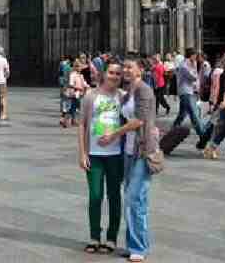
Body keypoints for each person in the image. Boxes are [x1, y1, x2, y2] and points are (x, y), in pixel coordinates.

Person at [101, 56, 157, 263]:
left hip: (143, 150)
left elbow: (139, 121)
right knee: (135, 198)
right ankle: (135, 243)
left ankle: (138, 247)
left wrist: (114, 134)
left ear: (140, 70)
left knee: (134, 198)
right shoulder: (128, 94)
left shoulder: (144, 90)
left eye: (129, 67)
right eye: (123, 67)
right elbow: (117, 113)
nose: (125, 70)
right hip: (129, 150)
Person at [77, 61, 124, 255]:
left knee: (114, 196)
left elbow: (131, 122)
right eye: (111, 72)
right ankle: (94, 236)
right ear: (104, 74)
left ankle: (111, 238)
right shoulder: (91, 96)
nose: (114, 76)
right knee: (95, 196)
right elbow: (82, 124)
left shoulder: (123, 97)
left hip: (116, 154)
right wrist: (82, 152)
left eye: (118, 73)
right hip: (94, 153)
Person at [172, 48, 207, 140]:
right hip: (185, 92)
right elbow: (193, 77)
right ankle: (203, 135)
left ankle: (173, 129)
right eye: (195, 55)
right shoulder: (184, 65)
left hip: (190, 91)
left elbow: (195, 78)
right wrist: (198, 72)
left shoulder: (192, 63)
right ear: (191, 55)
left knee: (182, 114)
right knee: (194, 114)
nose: (196, 58)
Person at [62, 59, 88, 128]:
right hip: (74, 94)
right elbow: (71, 84)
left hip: (79, 94)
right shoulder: (73, 74)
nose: (80, 68)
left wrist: (86, 86)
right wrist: (78, 88)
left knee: (73, 108)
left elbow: (84, 84)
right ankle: (68, 121)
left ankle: (69, 121)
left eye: (80, 67)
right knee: (80, 108)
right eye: (79, 67)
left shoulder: (80, 75)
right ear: (76, 67)